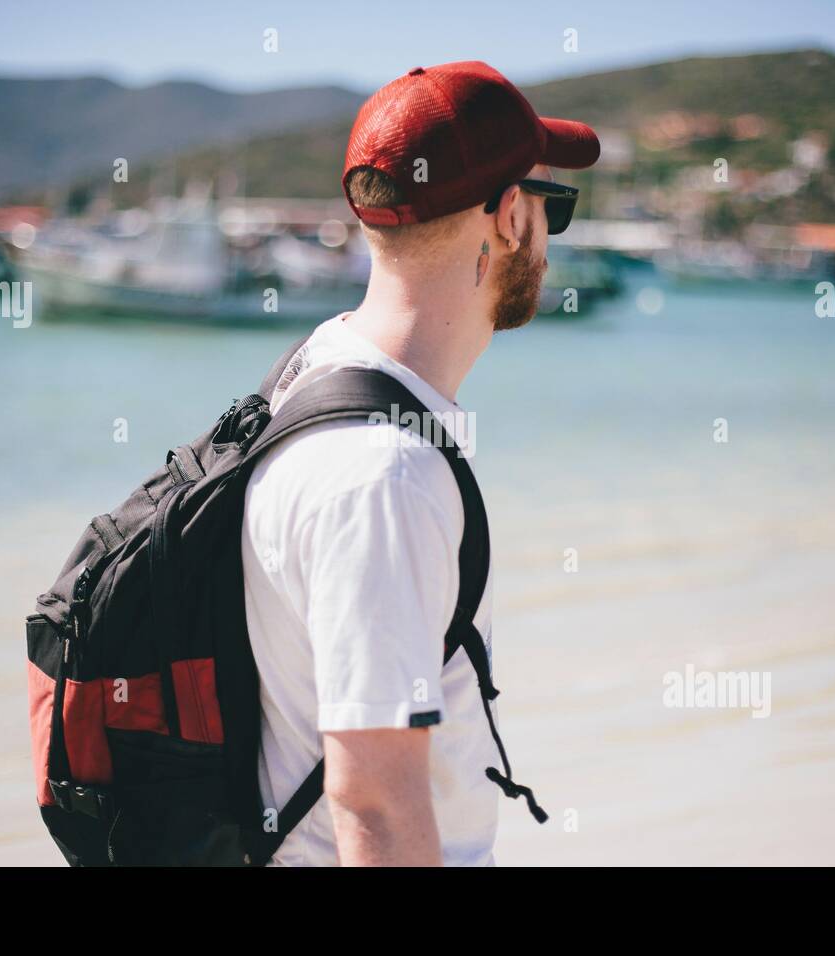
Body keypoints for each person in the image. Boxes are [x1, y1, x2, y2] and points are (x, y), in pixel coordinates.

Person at [239, 60, 600, 866]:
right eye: (555, 207)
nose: (549, 236)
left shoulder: (316, 367)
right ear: (509, 218)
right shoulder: (387, 476)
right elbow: (374, 802)